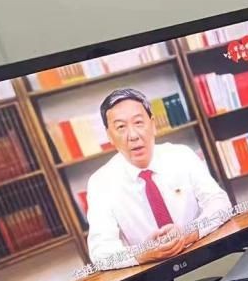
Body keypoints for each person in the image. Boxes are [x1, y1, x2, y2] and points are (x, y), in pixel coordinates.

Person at [86, 88, 231, 270]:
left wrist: (190, 233)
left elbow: (220, 203)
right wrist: (142, 253)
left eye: (138, 122)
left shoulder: (181, 155)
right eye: (121, 127)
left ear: (153, 124)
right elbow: (100, 253)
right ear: (110, 137)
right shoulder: (100, 183)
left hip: (205, 258)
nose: (133, 135)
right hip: (152, 276)